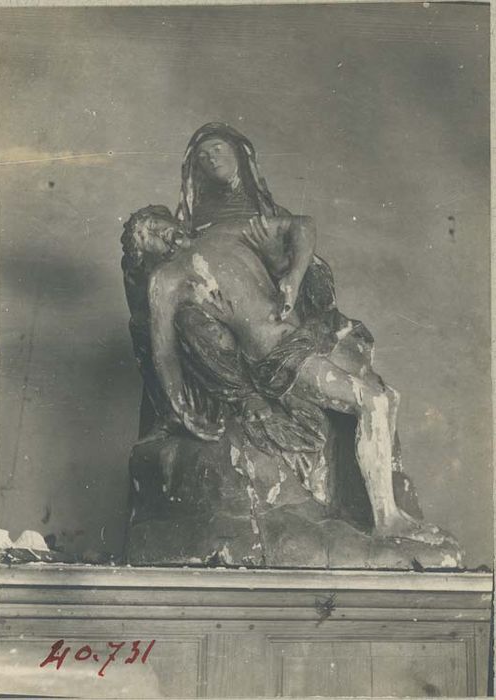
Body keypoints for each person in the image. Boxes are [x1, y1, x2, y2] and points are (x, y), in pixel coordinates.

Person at [121, 122, 445, 546]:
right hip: (278, 356)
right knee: (374, 403)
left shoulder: (221, 233)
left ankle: (385, 510)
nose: (158, 230)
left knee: (388, 397)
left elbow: (302, 226)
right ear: (142, 251)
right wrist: (184, 410)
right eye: (146, 232)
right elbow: (164, 354)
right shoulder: (166, 280)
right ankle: (386, 520)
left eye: (157, 221)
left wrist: (291, 277)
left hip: (306, 335)